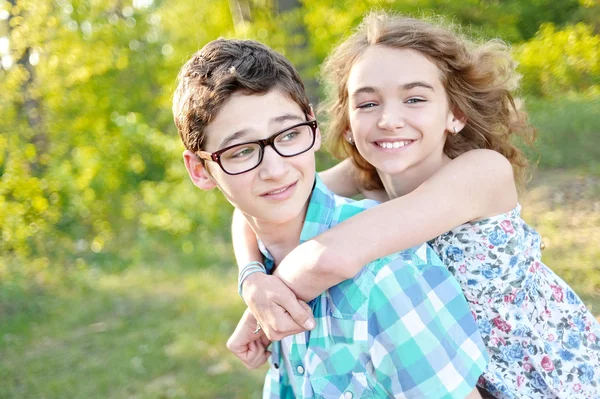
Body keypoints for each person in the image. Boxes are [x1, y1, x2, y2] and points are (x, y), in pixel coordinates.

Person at [234, 12, 600, 398]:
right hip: (453, 377)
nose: (390, 119)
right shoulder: (367, 173)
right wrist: (252, 279)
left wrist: (260, 312)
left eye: (414, 98)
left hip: (549, 374)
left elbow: (330, 259)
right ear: (348, 126)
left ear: (454, 114)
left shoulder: (481, 172)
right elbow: (256, 208)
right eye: (368, 104)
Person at [173, 37, 488, 398]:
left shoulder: (382, 274)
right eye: (242, 151)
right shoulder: (269, 269)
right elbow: (245, 218)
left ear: (313, 126)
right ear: (199, 170)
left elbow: (330, 258)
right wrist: (252, 279)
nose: (275, 170)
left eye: (288, 134)